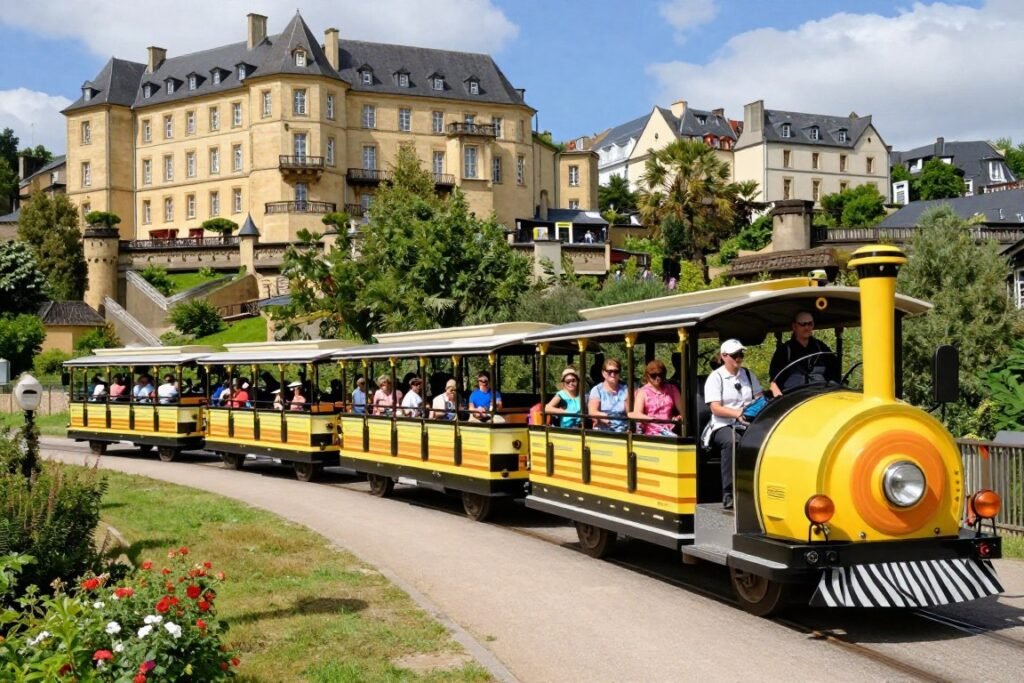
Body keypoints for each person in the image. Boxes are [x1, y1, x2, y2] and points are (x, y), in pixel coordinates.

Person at [703, 339, 763, 510]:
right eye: (735, 355)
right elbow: (715, 408)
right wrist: (738, 414)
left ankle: (757, 490)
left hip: (748, 423)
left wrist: (754, 412)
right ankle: (728, 493)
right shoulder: (716, 378)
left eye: (741, 354)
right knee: (733, 441)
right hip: (722, 424)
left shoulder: (749, 375)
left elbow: (759, 398)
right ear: (724, 356)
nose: (739, 357)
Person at [769, 311, 840, 396]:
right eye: (803, 324)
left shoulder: (820, 347)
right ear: (794, 326)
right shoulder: (784, 351)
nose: (807, 327)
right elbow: (774, 381)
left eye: (810, 324)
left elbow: (834, 372)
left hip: (820, 395)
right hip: (793, 398)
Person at [631, 360, 683, 436]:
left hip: (670, 428)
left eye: (660, 375)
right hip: (651, 432)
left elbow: (683, 412)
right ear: (647, 375)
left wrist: (679, 417)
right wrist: (651, 419)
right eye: (654, 375)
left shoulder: (672, 389)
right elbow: (637, 413)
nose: (658, 378)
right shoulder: (642, 392)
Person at [588, 359, 628, 432]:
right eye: (610, 372)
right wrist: (605, 418)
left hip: (623, 430)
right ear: (603, 373)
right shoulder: (597, 390)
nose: (613, 374)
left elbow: (629, 412)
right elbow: (592, 412)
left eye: (616, 371)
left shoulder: (625, 390)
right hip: (603, 431)